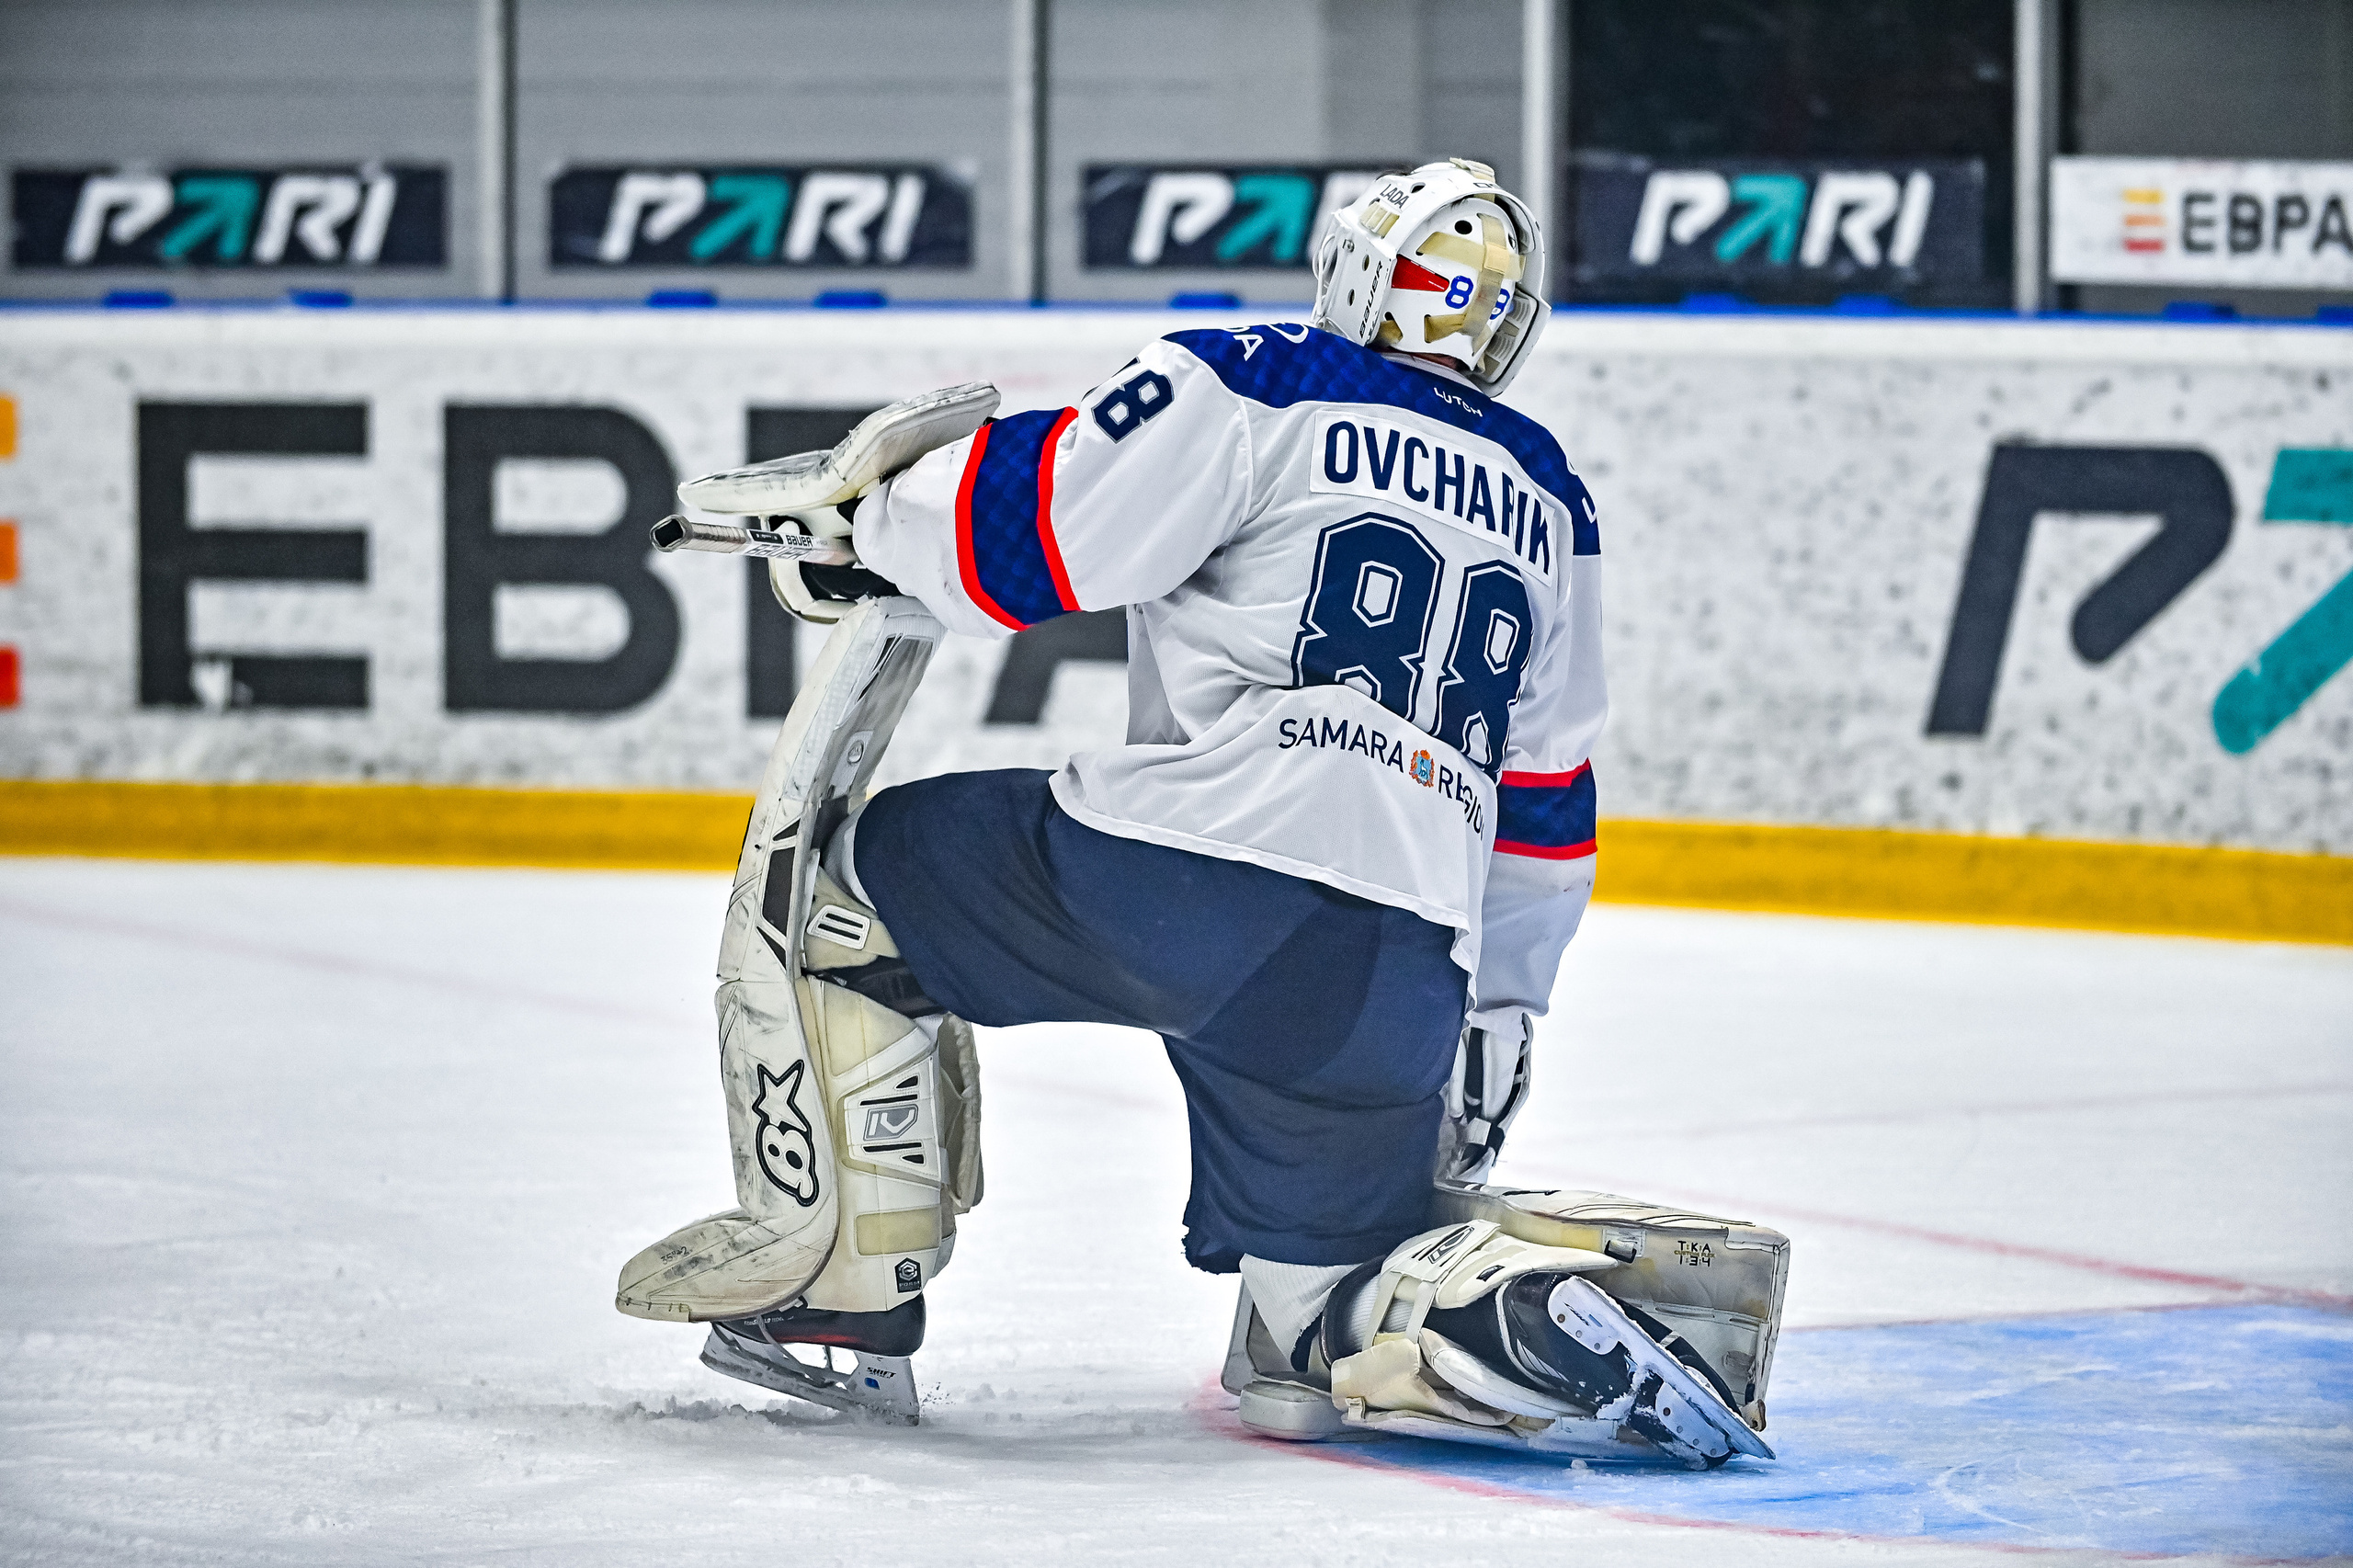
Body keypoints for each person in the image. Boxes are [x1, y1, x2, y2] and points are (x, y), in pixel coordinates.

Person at [617, 158, 1782, 1466]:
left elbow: (1037, 531)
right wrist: (1502, 1006)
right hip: (1402, 968)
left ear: (1358, 271)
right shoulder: (1552, 498)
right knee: (1299, 1362)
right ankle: (1439, 1310)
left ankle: (845, 1303)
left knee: (851, 885)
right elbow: (1546, 795)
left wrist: (871, 521)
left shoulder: (1260, 375)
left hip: (1189, 884)